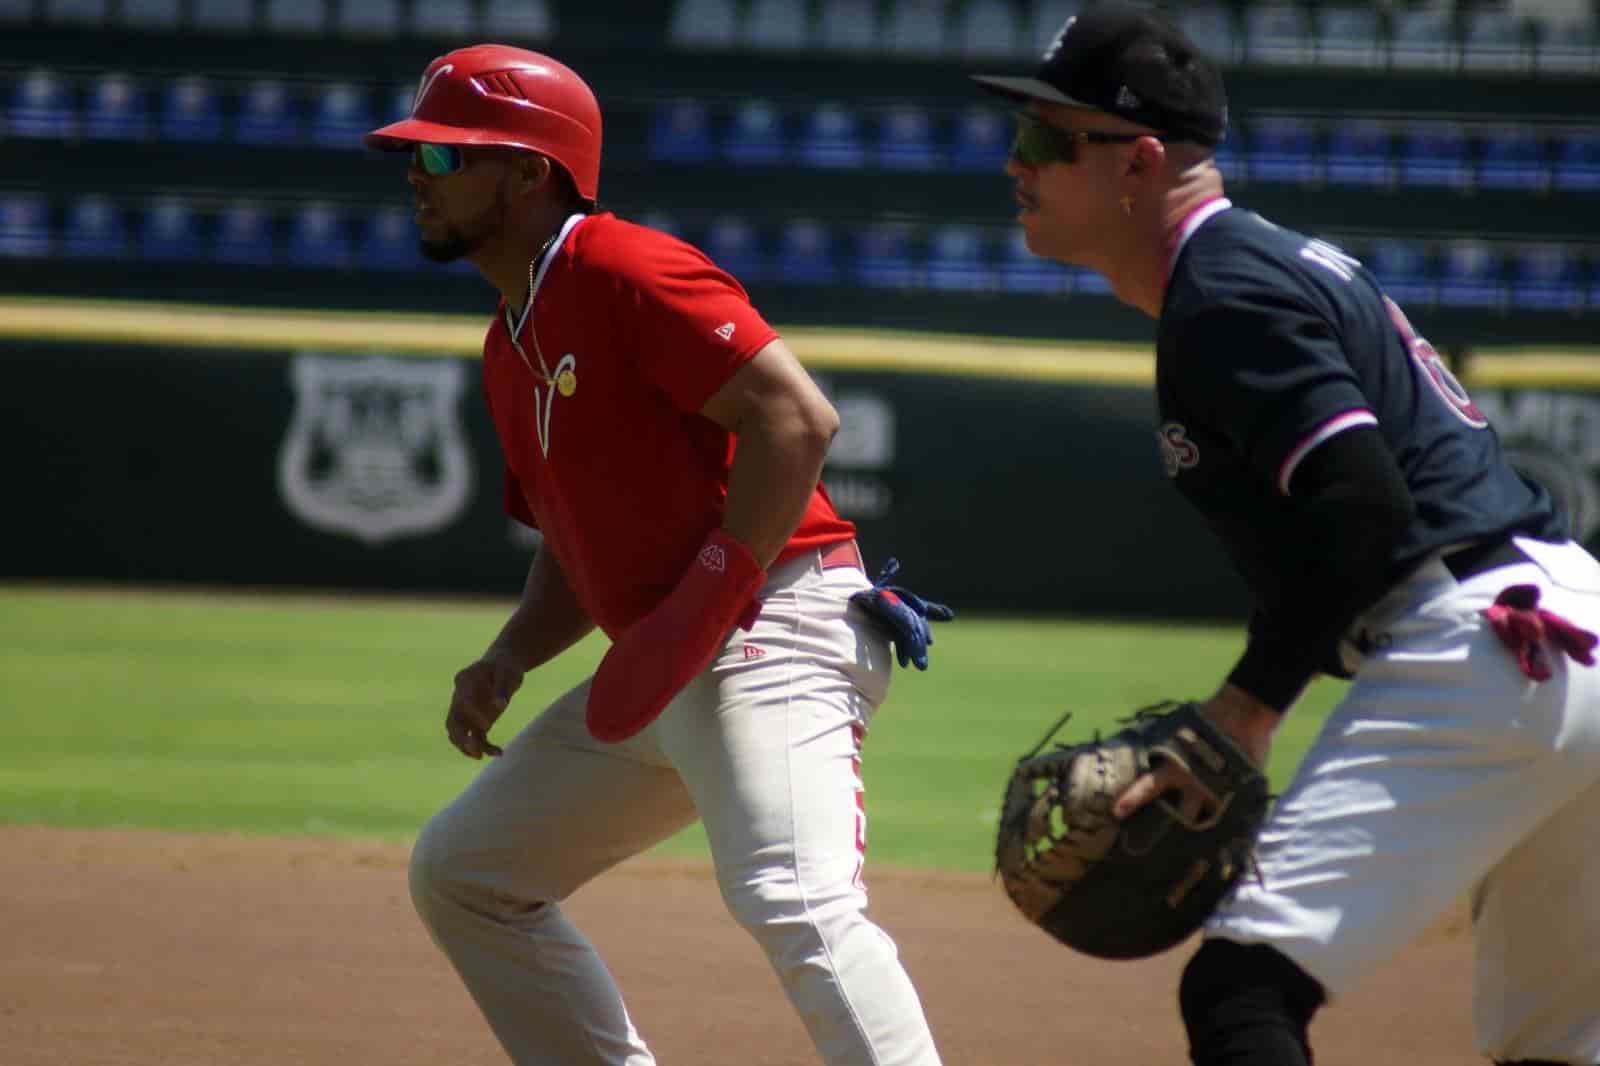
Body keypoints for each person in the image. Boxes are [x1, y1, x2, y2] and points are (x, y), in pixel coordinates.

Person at [973, 6, 1600, 1065]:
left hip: (1484, 645)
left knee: (1240, 988)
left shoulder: (1225, 293)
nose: (1013, 164)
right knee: (1555, 1043)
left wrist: (1243, 711)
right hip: (1558, 630)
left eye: (1046, 138)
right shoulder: (1250, 271)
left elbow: (1361, 515)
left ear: (1139, 163)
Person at [364, 44, 947, 1066]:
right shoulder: (513, 339)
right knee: (465, 874)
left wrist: (703, 604)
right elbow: (575, 541)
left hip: (775, 620)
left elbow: (797, 421)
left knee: (795, 901)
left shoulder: (620, 265)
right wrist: (510, 655)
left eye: (450, 156)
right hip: (668, 657)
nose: (419, 172)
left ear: (532, 170)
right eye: (417, 153)